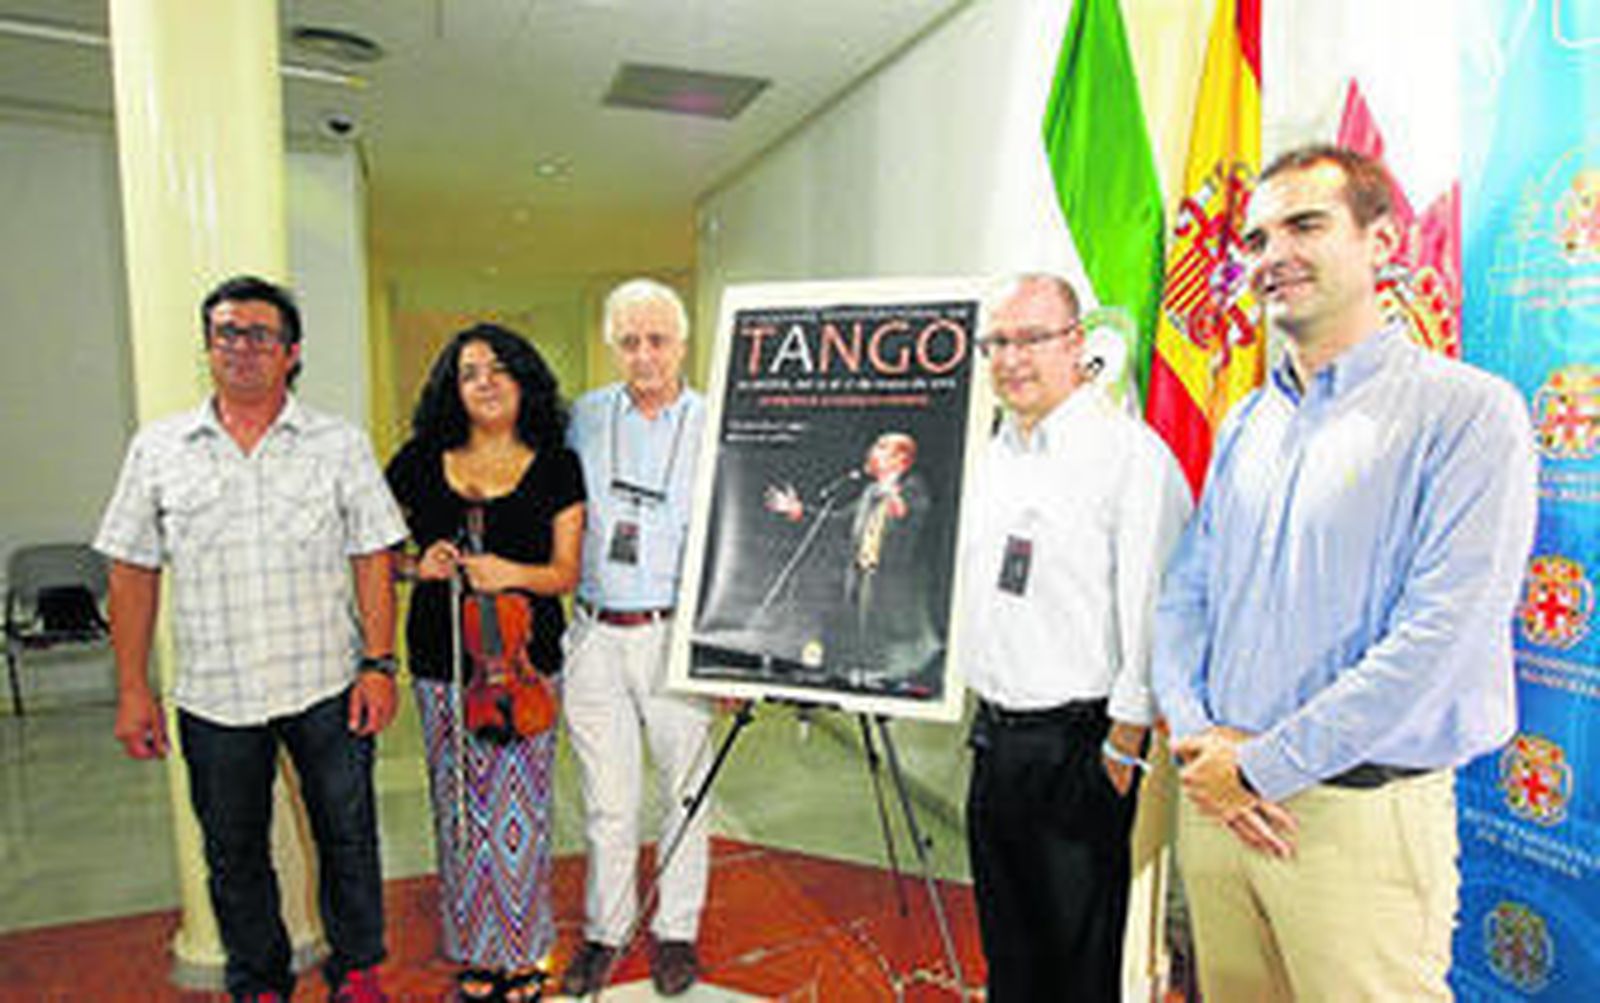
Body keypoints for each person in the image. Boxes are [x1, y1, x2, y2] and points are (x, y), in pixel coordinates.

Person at [1152, 145, 1539, 1001]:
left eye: (1305, 225)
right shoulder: (1247, 421)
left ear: (1381, 242)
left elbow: (1440, 637)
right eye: (1257, 239)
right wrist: (1199, 740)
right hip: (1218, 801)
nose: (1273, 255)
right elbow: (1186, 596)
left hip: (1354, 821)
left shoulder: (1468, 414)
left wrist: (1263, 765)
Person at [96, 275, 404, 1003]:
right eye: (226, 332)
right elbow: (131, 569)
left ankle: (358, 968)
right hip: (215, 693)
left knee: (348, 837)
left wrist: (379, 664)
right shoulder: (159, 448)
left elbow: (373, 556)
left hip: (327, 684)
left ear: (291, 352)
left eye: (259, 334)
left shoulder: (338, 444)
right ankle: (258, 981)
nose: (240, 347)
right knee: (233, 852)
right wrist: (134, 688)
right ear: (208, 346)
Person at [958, 274, 1191, 1002]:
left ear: (1076, 343)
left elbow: (1157, 607)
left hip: (1081, 747)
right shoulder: (994, 452)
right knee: (1009, 949)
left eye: (1031, 338)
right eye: (997, 341)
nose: (1010, 358)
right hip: (994, 738)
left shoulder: (1130, 456)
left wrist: (1123, 744)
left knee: (1077, 965)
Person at [385, 324, 584, 1002]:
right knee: (459, 807)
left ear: (524, 379)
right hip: (443, 661)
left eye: (499, 368)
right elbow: (375, 551)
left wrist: (510, 572)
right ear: (453, 388)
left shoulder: (556, 464)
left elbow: (564, 573)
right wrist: (417, 565)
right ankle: (475, 946)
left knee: (521, 810)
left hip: (527, 665)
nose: (485, 382)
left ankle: (524, 950)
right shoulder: (418, 460)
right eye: (469, 372)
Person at [560, 278, 712, 997]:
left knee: (685, 791)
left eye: (657, 340)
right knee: (607, 797)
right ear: (611, 345)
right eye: (629, 341)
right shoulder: (584, 418)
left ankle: (676, 930)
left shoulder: (714, 421)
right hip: (594, 631)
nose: (644, 354)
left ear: (682, 342)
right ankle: (606, 929)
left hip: (673, 633)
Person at [764, 431, 936, 686]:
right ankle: (856, 676)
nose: (871, 451)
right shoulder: (869, 492)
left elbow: (906, 514)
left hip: (892, 583)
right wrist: (800, 510)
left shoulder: (914, 489)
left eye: (881, 447)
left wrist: (892, 495)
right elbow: (838, 521)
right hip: (860, 576)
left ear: (901, 459)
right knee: (856, 633)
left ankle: (889, 680)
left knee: (891, 644)